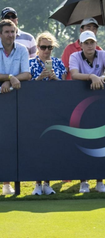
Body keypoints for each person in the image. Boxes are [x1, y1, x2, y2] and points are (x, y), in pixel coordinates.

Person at [69, 31, 105, 193]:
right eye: (86, 43)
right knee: (82, 141)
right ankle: (84, 182)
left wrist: (100, 78)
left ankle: (100, 181)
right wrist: (92, 76)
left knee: (100, 142)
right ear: (81, 45)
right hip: (79, 103)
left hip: (100, 103)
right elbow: (74, 75)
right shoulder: (75, 56)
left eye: (92, 42)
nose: (90, 46)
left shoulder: (102, 54)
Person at [29, 32, 65, 195]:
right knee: (37, 147)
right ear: (37, 47)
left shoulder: (58, 63)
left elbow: (65, 87)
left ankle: (47, 183)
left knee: (51, 147)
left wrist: (55, 79)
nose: (46, 50)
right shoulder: (29, 63)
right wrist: (39, 79)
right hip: (35, 111)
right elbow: (26, 89)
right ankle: (37, 184)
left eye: (49, 47)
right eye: (43, 47)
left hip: (54, 110)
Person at [0, 19, 32, 195]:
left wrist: (9, 80)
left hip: (15, 100)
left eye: (12, 31)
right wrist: (10, 77)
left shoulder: (22, 49)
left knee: (12, 142)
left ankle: (7, 184)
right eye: (6, 32)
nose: (10, 35)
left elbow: (27, 74)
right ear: (0, 34)